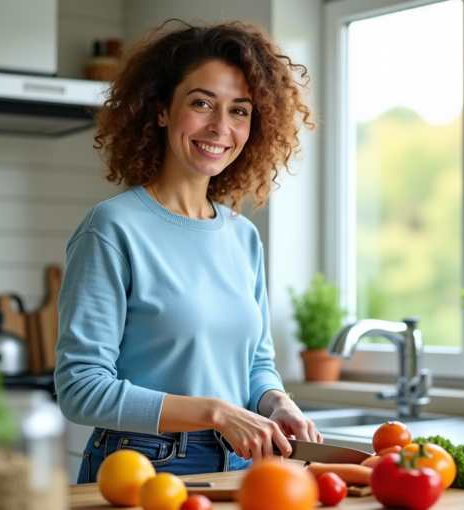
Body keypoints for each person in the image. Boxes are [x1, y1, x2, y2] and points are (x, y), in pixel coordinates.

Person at [54, 19, 319, 483]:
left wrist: (277, 402)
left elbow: (255, 364)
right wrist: (215, 413)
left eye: (240, 110)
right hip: (140, 467)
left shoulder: (242, 236)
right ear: (160, 110)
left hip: (240, 463)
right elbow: (81, 389)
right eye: (202, 103)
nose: (221, 126)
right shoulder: (113, 228)